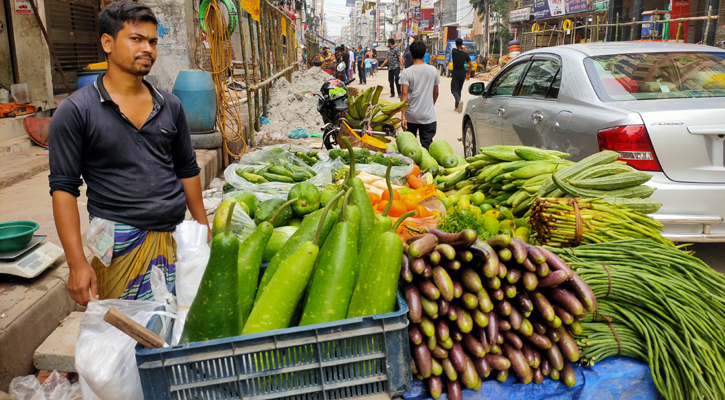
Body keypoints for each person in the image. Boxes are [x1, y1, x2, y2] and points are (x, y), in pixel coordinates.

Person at [49, 1, 207, 306]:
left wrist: (202, 231)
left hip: (170, 237)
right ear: (107, 42)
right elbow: (63, 189)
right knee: (121, 334)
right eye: (136, 38)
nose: (147, 48)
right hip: (116, 242)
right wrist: (77, 263)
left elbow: (187, 169)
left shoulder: (170, 105)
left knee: (172, 327)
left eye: (152, 41)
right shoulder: (76, 111)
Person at [399, 40, 440, 149]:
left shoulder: (406, 72)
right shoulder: (433, 70)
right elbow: (436, 92)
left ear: (411, 54)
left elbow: (404, 94)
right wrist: (431, 104)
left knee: (410, 148)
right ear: (424, 53)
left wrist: (403, 116)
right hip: (428, 116)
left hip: (410, 116)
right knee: (427, 146)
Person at [451, 38, 471, 113]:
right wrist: (468, 73)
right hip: (463, 73)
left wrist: (462, 48)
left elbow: (458, 49)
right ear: (462, 44)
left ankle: (459, 101)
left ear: (456, 44)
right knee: (459, 89)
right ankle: (456, 107)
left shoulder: (454, 51)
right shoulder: (465, 54)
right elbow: (470, 64)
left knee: (453, 90)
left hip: (456, 73)